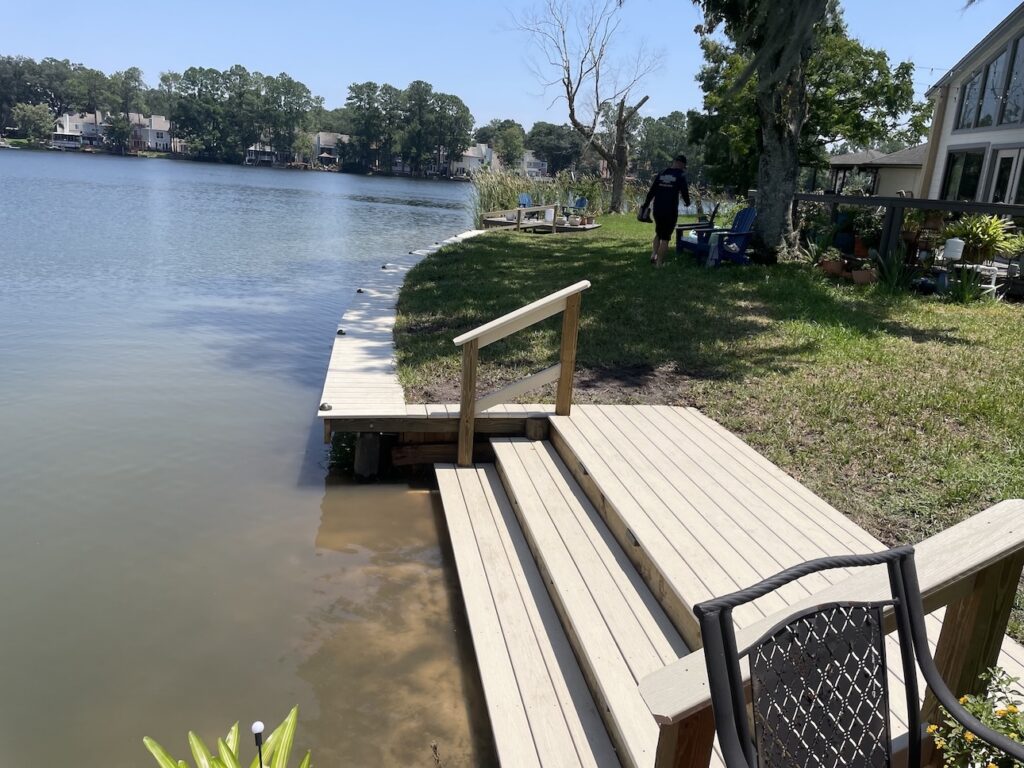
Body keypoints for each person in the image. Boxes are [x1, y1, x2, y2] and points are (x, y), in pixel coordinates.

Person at [642, 154, 691, 267]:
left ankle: (653, 255)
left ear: (674, 162)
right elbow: (684, 192)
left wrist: (645, 205)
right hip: (670, 210)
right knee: (665, 237)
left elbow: (652, 191)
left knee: (658, 232)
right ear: (682, 165)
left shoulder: (662, 173)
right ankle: (659, 263)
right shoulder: (680, 175)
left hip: (657, 209)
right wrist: (687, 203)